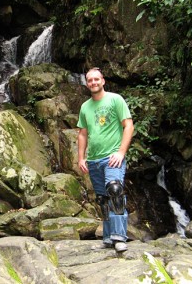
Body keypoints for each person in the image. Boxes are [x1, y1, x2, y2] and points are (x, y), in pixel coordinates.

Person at [77, 67, 134, 252]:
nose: (93, 82)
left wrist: (121, 152)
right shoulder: (85, 107)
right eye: (90, 80)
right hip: (93, 160)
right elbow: (83, 134)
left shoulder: (115, 99)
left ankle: (119, 237)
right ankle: (109, 237)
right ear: (87, 84)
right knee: (102, 199)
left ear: (103, 81)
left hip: (112, 158)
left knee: (114, 190)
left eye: (96, 79)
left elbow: (128, 125)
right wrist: (81, 158)